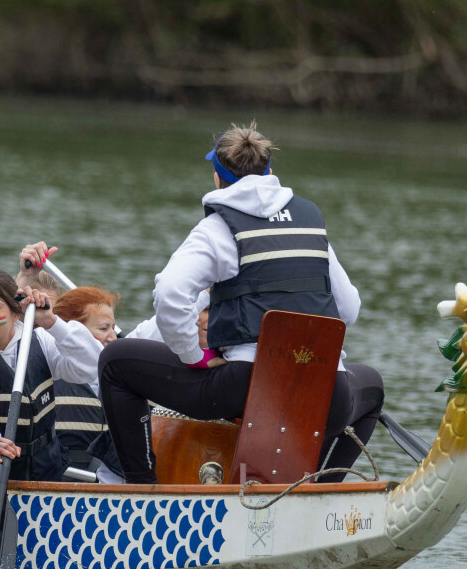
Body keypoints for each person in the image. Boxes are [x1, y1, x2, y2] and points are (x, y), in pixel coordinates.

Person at [98, 123, 382, 484]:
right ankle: (317, 493)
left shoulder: (218, 229)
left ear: (217, 178)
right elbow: (348, 311)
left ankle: (140, 489)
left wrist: (192, 355)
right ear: (271, 174)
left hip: (248, 390)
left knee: (113, 363)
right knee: (373, 385)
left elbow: (170, 294)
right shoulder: (310, 225)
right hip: (328, 393)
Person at [0, 269, 103, 482]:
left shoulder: (40, 341)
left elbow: (91, 367)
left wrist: (52, 323)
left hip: (45, 471)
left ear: (16, 312)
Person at [49, 285, 125, 480]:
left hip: (108, 480)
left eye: (113, 328)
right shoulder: (50, 369)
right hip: (58, 480)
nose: (113, 337)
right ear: (74, 332)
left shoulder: (123, 374)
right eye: (103, 329)